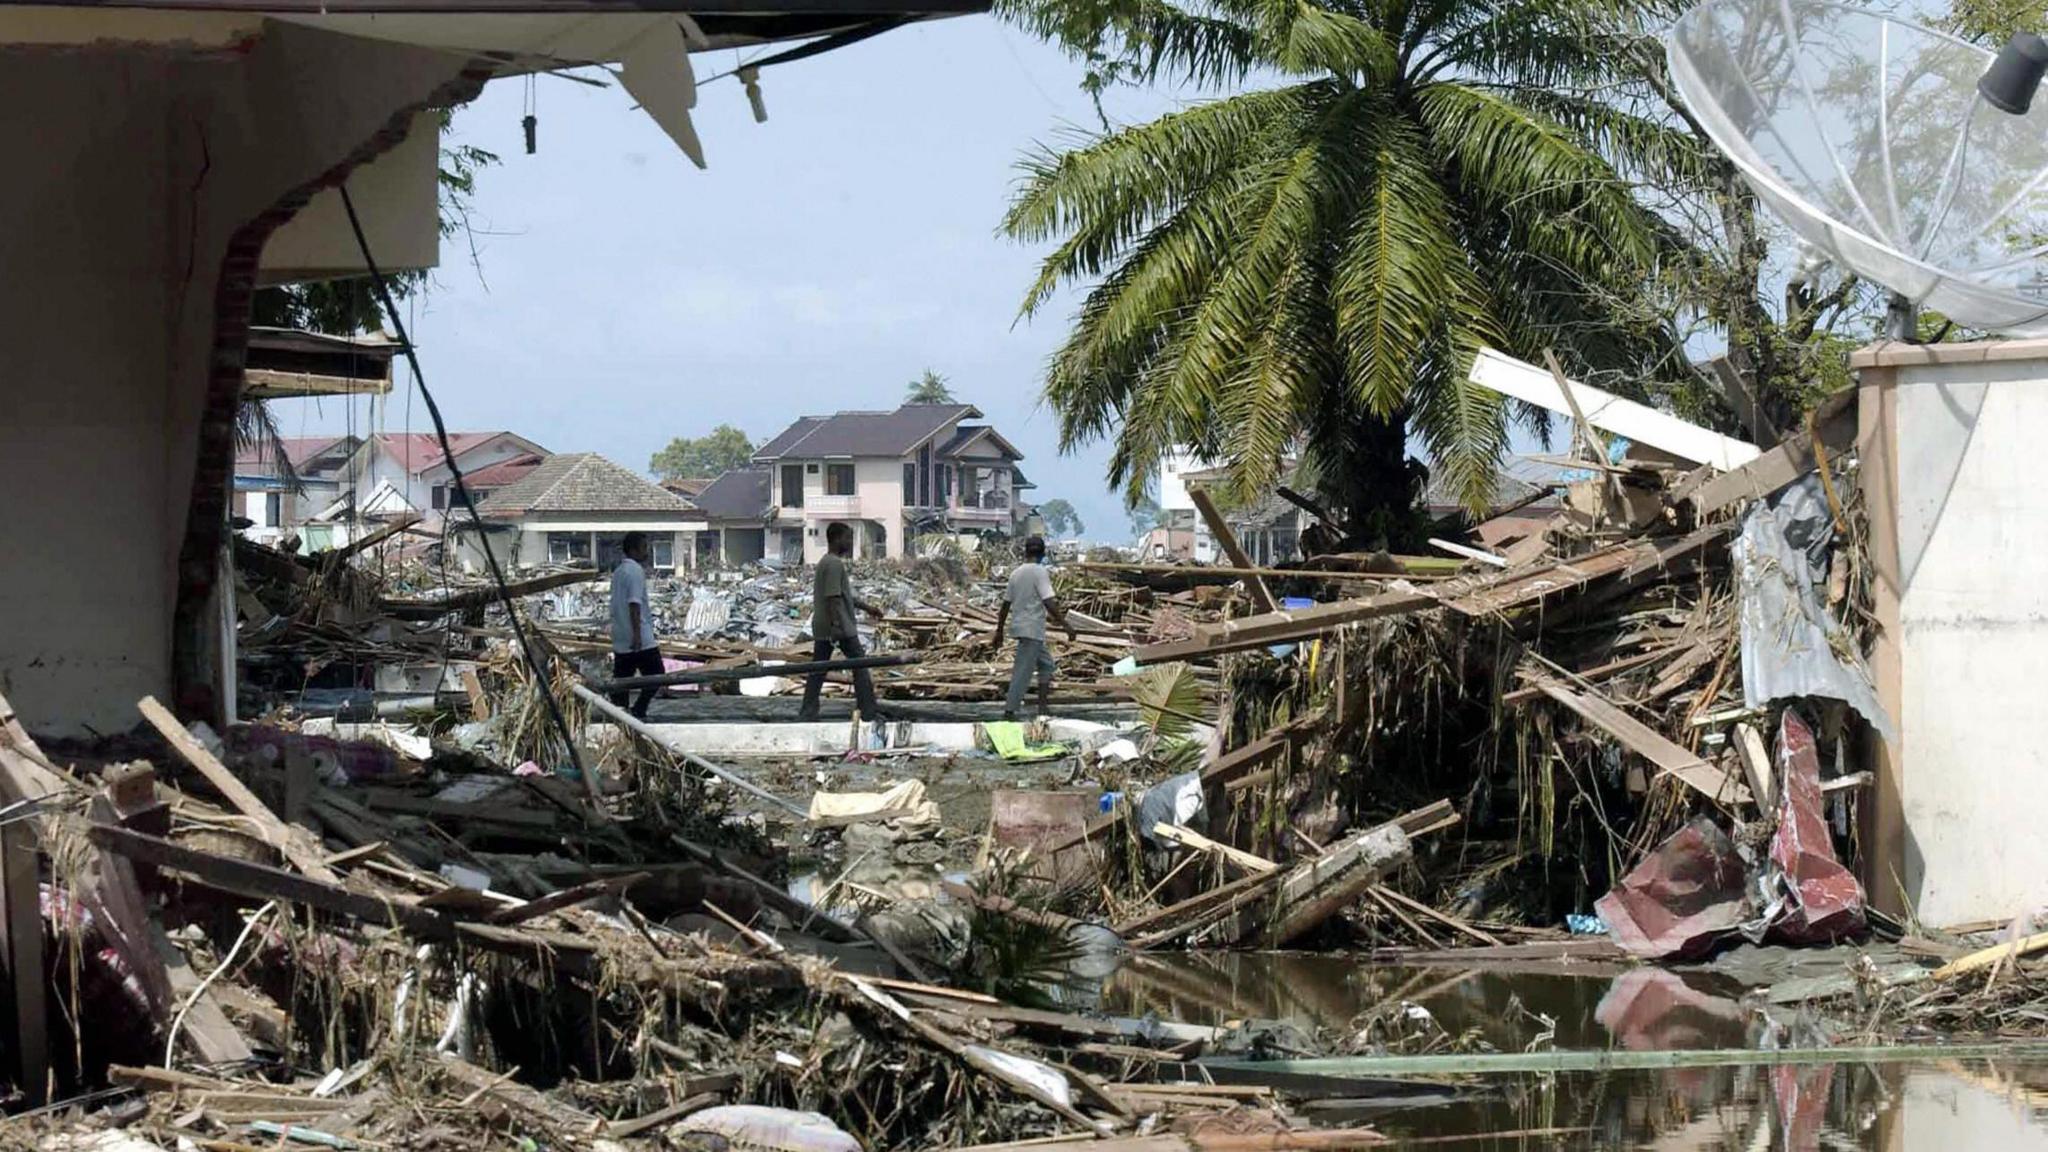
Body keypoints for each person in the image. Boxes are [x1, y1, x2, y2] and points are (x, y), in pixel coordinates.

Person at [799, 522, 883, 721]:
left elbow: (845, 596)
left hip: (823, 625)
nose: (849, 542)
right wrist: (837, 627)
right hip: (838, 625)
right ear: (836, 539)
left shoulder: (826, 562)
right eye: (847, 538)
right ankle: (868, 711)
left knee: (818, 669)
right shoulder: (834, 564)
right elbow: (833, 598)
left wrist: (868, 608)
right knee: (860, 666)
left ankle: (808, 711)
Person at [992, 535, 1076, 721]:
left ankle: (1043, 708)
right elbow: (1049, 601)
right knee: (1023, 671)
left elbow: (1005, 606)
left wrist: (999, 631)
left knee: (1047, 665)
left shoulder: (1016, 573)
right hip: (1032, 629)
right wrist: (1066, 625)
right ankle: (1010, 711)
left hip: (1027, 629)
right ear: (1043, 553)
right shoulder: (1039, 572)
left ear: (1026, 551)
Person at [608, 532, 664, 719]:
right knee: (657, 675)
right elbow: (634, 604)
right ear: (633, 550)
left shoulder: (618, 572)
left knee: (622, 680)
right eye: (643, 548)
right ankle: (638, 709)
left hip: (621, 635)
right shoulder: (635, 571)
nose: (646, 552)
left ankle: (621, 714)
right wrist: (638, 635)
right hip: (639, 635)